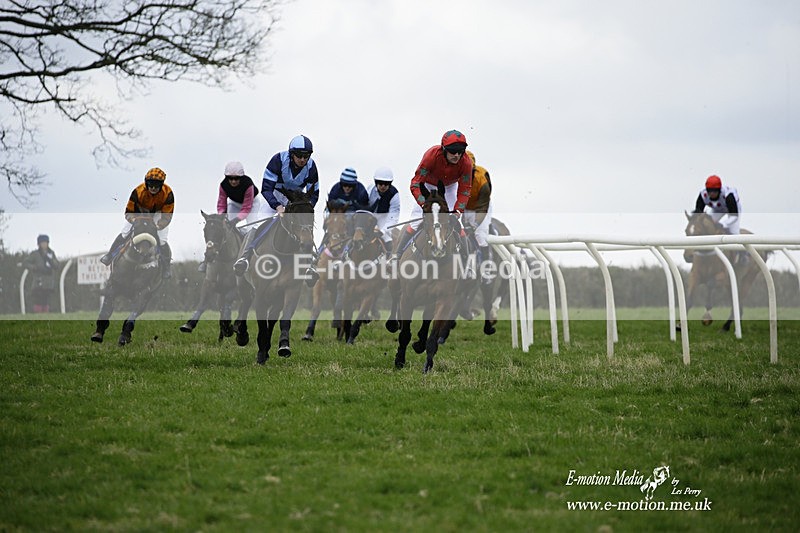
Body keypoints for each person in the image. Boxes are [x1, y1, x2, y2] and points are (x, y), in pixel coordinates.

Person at [234, 135, 320, 275]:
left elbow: (314, 193)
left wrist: (306, 208)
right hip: (275, 195)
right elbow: (266, 189)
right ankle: (245, 257)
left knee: (305, 223)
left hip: (296, 199)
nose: (303, 159)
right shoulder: (278, 161)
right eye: (299, 155)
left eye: (306, 156)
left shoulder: (311, 167)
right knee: (257, 223)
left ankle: (309, 265)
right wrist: (277, 206)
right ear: (292, 154)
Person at [393, 129, 473, 260]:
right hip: (428, 187)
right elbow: (415, 184)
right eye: (453, 151)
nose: (457, 155)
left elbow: (465, 190)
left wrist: (457, 212)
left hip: (449, 188)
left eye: (460, 151)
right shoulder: (431, 156)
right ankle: (397, 256)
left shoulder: (466, 163)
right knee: (415, 222)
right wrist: (424, 204)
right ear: (443, 149)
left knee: (459, 226)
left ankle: (467, 263)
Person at [99, 167, 175, 279]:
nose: (153, 188)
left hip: (158, 214)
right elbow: (129, 211)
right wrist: (134, 220)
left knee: (162, 240)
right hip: (139, 213)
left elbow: (167, 215)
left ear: (162, 185)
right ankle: (109, 256)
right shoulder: (138, 191)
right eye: (151, 185)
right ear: (146, 183)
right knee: (125, 233)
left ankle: (166, 268)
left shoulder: (168, 193)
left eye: (156, 186)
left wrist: (159, 225)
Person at [462, 151, 493, 269]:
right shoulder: (456, 177)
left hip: (481, 207)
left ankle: (487, 269)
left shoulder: (482, 178)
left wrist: (474, 225)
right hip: (464, 206)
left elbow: (483, 206)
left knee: (479, 235)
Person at [366, 166, 400, 253]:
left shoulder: (394, 195)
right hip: (370, 216)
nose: (383, 186)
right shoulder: (369, 189)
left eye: (386, 184)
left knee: (387, 237)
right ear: (376, 182)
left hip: (384, 218)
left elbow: (393, 218)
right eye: (381, 183)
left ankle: (389, 257)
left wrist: (382, 231)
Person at [23, 234, 60, 313]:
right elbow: (25, 263)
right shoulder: (35, 254)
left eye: (45, 242)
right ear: (39, 244)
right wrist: (34, 267)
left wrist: (51, 261)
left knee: (47, 300)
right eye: (42, 243)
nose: (44, 244)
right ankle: (38, 315)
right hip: (38, 281)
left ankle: (46, 315)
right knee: (38, 300)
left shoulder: (51, 253)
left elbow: (57, 265)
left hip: (49, 282)